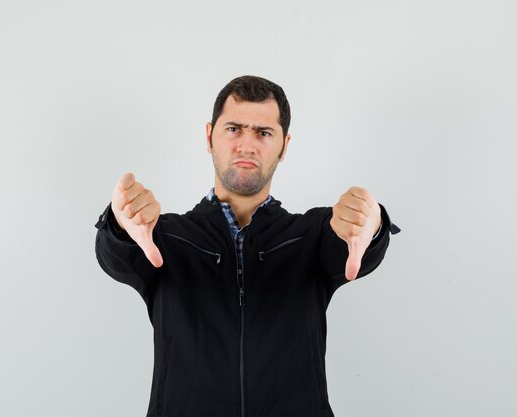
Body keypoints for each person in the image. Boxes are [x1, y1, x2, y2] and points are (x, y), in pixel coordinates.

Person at [94, 75, 400, 417]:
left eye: (263, 133)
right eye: (234, 129)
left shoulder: (311, 235)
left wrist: (371, 225)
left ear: (284, 146)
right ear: (209, 136)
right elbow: (118, 257)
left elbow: (349, 246)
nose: (247, 145)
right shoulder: (163, 237)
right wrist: (120, 225)